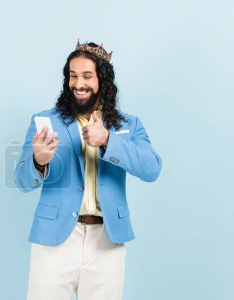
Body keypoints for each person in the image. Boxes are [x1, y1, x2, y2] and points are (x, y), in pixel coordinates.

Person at [14, 40, 162, 300]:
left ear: (102, 81)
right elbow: (21, 180)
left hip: (107, 240)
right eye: (72, 76)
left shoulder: (129, 125)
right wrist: (38, 160)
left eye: (86, 76)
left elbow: (151, 169)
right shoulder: (46, 121)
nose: (78, 84)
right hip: (54, 240)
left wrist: (108, 140)